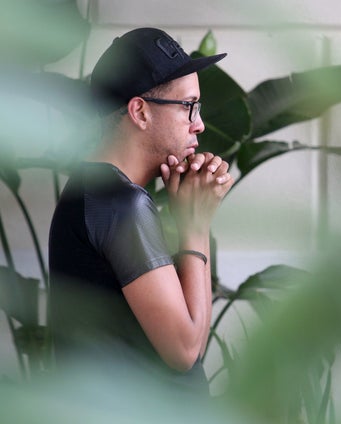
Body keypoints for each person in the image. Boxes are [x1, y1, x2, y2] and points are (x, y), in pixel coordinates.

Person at [48, 27, 234, 397]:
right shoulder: (119, 203)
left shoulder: (95, 191)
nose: (199, 123)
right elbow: (184, 350)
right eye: (188, 106)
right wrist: (195, 226)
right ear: (140, 112)